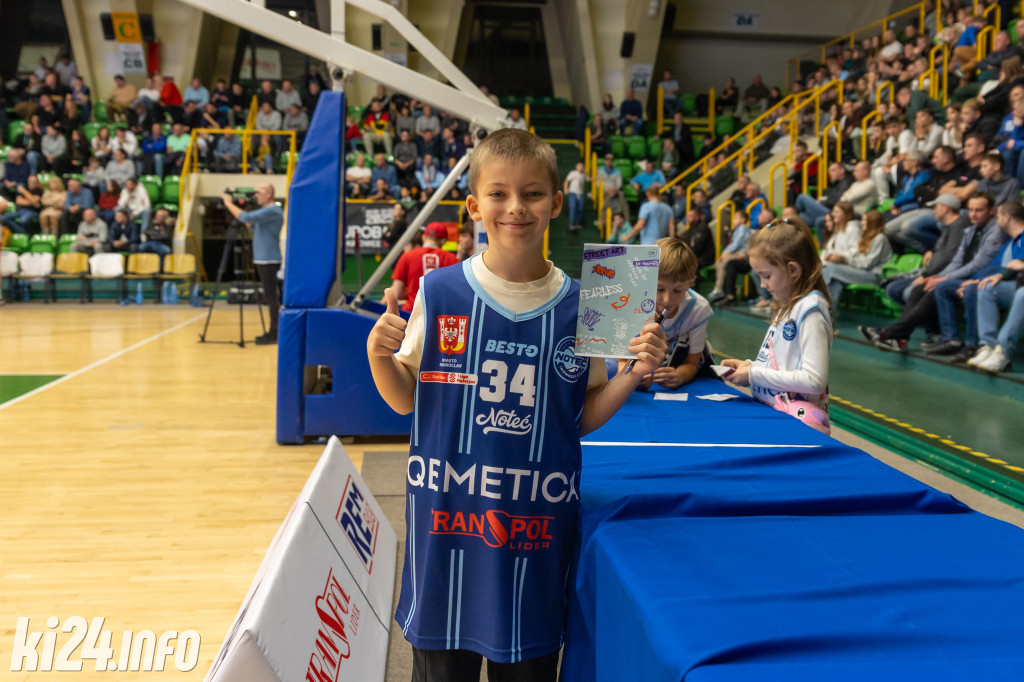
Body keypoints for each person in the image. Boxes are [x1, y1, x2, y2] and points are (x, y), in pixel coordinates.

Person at [366, 128, 666, 681]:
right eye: (498, 194)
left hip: (534, 537)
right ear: (474, 206)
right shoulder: (439, 291)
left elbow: (580, 416)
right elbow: (405, 400)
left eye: (532, 194)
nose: (515, 207)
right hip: (445, 534)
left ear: (556, 203)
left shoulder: (588, 302)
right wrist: (378, 356)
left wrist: (633, 375)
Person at [723, 217, 833, 432]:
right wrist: (750, 367)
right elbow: (782, 363)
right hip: (775, 414)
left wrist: (754, 375)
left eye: (766, 276)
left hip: (798, 424)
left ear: (793, 270)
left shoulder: (810, 311)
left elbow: (814, 380)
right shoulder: (788, 303)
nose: (763, 285)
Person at [862, 193, 1005, 352]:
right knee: (920, 288)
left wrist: (943, 278)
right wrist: (938, 277)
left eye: (979, 210)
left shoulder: (994, 231)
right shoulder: (970, 230)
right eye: (971, 210)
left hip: (980, 278)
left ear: (992, 211)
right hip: (964, 276)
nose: (973, 214)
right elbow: (957, 261)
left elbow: (977, 264)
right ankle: (900, 337)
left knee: (935, 288)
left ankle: (893, 333)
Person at [929, 200, 1024, 358]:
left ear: (1007, 217)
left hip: (1015, 284)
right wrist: (974, 279)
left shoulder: (1021, 239)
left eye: (999, 216)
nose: (996, 221)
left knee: (976, 288)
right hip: (1002, 282)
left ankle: (973, 345)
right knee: (944, 287)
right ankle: (961, 341)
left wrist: (977, 282)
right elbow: (994, 266)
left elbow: (1013, 268)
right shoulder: (1009, 242)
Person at [623, 237, 714, 388]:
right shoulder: (632, 303)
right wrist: (634, 376)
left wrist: (679, 376)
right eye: (659, 289)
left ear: (690, 283)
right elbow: (621, 360)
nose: (667, 299)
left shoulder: (698, 309)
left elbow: (692, 363)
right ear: (647, 280)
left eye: (678, 290)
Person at [220, 183, 284, 345]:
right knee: (270, 297)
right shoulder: (265, 212)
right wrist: (241, 209)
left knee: (272, 297)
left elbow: (246, 218)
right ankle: (274, 331)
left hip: (269, 259)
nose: (256, 195)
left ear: (269, 193)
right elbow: (250, 223)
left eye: (258, 192)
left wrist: (229, 204)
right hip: (263, 259)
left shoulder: (273, 210)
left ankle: (275, 332)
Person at [822, 210, 893, 317]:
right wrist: (841, 258)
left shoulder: (880, 238)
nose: (861, 223)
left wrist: (844, 259)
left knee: (832, 269)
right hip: (862, 272)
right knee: (835, 281)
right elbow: (858, 258)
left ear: (872, 222)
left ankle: (824, 311)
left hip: (874, 276)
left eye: (864, 220)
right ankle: (828, 314)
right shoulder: (866, 237)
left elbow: (867, 264)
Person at [390, 222, 459, 311]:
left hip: (412, 311)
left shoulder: (407, 256)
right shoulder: (451, 258)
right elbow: (456, 290)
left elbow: (397, 292)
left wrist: (413, 291)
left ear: (423, 237)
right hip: (441, 313)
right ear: (443, 240)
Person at [707, 209, 752, 303]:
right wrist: (724, 253)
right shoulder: (737, 229)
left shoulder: (743, 228)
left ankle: (719, 289)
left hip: (743, 254)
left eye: (736, 218)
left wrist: (725, 253)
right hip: (736, 253)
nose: (733, 220)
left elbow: (736, 244)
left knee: (723, 261)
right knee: (719, 263)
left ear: (743, 219)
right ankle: (720, 289)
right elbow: (732, 244)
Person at [563, 161, 588, 232]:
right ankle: (572, 223)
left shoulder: (584, 174)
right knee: (573, 207)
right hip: (572, 193)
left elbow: (589, 179)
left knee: (580, 208)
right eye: (579, 166)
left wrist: (597, 178)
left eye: (582, 166)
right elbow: (566, 181)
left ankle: (578, 222)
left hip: (580, 194)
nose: (580, 167)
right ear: (576, 166)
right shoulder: (573, 173)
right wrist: (565, 189)